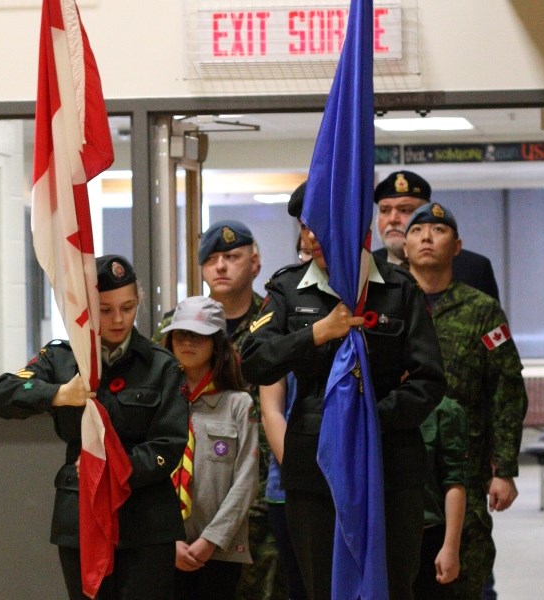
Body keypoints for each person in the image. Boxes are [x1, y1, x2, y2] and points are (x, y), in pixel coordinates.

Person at [240, 182, 446, 600]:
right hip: (314, 466)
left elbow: (429, 379)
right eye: (306, 227)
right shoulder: (287, 289)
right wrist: (316, 333)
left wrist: (370, 420)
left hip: (389, 465)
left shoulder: (397, 289)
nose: (314, 236)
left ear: (355, 224)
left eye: (326, 225)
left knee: (391, 585)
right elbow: (255, 361)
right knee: (324, 587)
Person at [0, 255, 188, 600]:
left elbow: (168, 445)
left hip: (144, 520)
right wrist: (58, 394)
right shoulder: (61, 359)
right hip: (81, 518)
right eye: (105, 309)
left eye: (127, 307)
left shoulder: (161, 366)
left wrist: (112, 468)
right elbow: (3, 393)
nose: (118, 319)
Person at [153, 219, 285, 600]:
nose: (222, 266)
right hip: (183, 513)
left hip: (254, 498)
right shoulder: (173, 325)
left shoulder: (274, 322)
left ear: (255, 262)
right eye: (212, 259)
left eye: (232, 256)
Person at [404, 203, 528, 599]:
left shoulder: (481, 310)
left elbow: (507, 389)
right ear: (404, 247)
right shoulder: (388, 309)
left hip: (467, 466)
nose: (427, 237)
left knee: (466, 574)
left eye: (438, 230)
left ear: (456, 247)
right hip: (403, 463)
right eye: (418, 230)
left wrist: (505, 468)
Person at [161, 296, 259, 600]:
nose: (188, 342)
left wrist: (212, 540)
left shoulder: (238, 405)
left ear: (216, 344)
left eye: (199, 335)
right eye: (181, 334)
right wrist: (167, 540)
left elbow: (246, 481)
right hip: (165, 547)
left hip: (220, 550)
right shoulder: (158, 403)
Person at [259, 231, 312, 600]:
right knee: (299, 585)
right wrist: (297, 471)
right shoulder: (284, 309)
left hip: (354, 479)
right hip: (291, 482)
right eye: (303, 252)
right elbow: (271, 409)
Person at [373, 170, 500, 301]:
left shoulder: (473, 268)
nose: (393, 219)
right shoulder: (366, 267)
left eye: (405, 210)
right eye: (384, 211)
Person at [413, 396, 468, 599]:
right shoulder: (371, 405)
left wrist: (450, 547)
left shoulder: (444, 411)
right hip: (382, 536)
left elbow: (454, 482)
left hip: (428, 534)